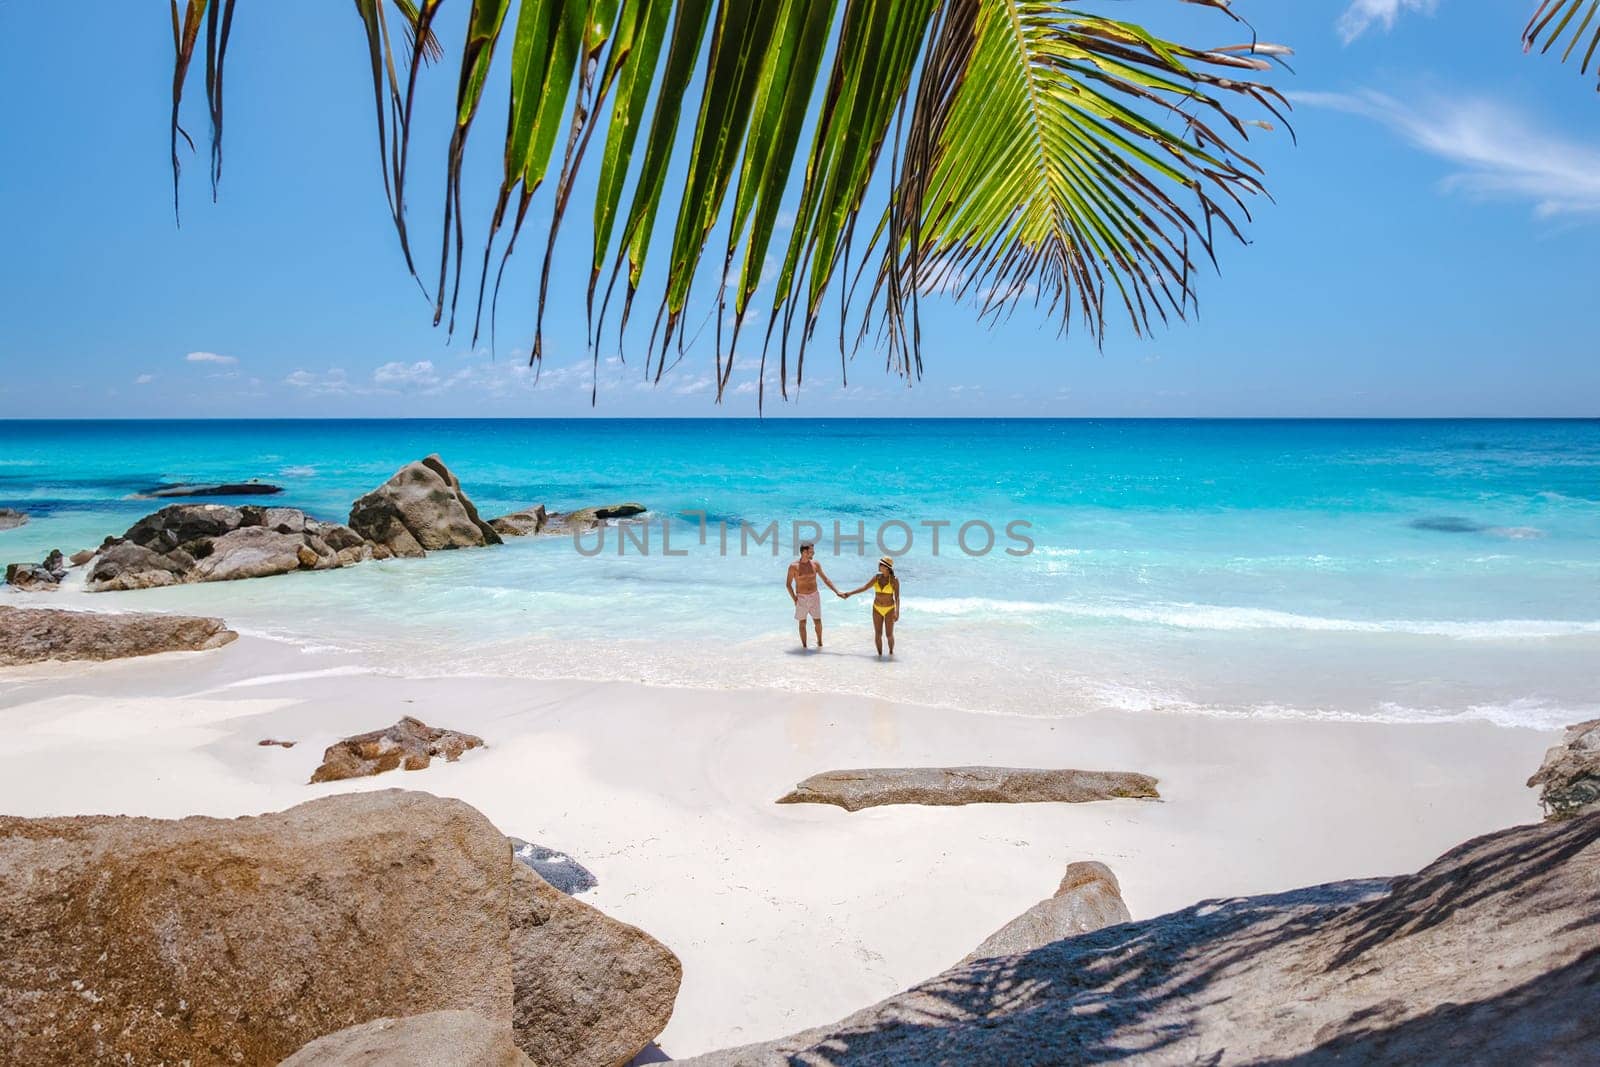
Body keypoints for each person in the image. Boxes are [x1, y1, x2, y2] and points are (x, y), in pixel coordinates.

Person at [786, 542, 841, 649]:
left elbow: (826, 579)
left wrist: (836, 591)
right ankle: (804, 647)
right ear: (804, 552)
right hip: (801, 597)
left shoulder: (815, 564)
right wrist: (794, 599)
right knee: (802, 623)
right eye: (811, 551)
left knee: (818, 621)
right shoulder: (794, 567)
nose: (813, 553)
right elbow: (788, 584)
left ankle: (820, 643)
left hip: (814, 596)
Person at [842, 556, 900, 657]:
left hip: (889, 609)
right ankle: (880, 656)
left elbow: (897, 597)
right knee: (878, 634)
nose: (878, 566)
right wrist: (850, 593)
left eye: (880, 564)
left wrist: (897, 612)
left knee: (889, 635)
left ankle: (891, 653)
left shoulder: (894, 580)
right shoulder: (877, 577)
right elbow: (865, 587)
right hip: (877, 608)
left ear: (886, 567)